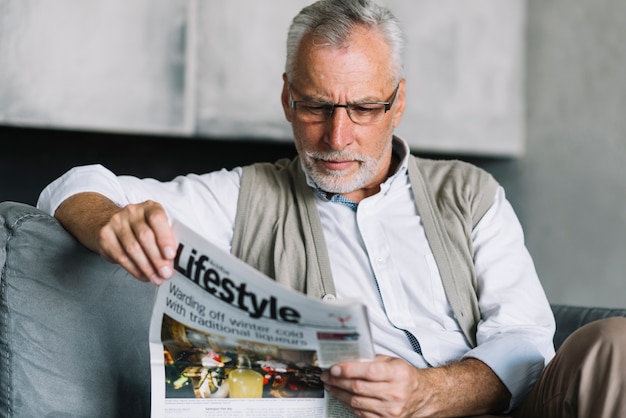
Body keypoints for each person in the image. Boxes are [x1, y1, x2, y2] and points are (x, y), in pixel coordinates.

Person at [37, 0, 625, 417]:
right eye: (316, 106)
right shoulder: (248, 195)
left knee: (614, 345)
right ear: (288, 99)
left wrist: (428, 393)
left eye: (364, 108)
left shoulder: (470, 194)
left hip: (502, 406)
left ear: (398, 104)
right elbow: (78, 183)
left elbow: (525, 337)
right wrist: (111, 220)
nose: (337, 136)